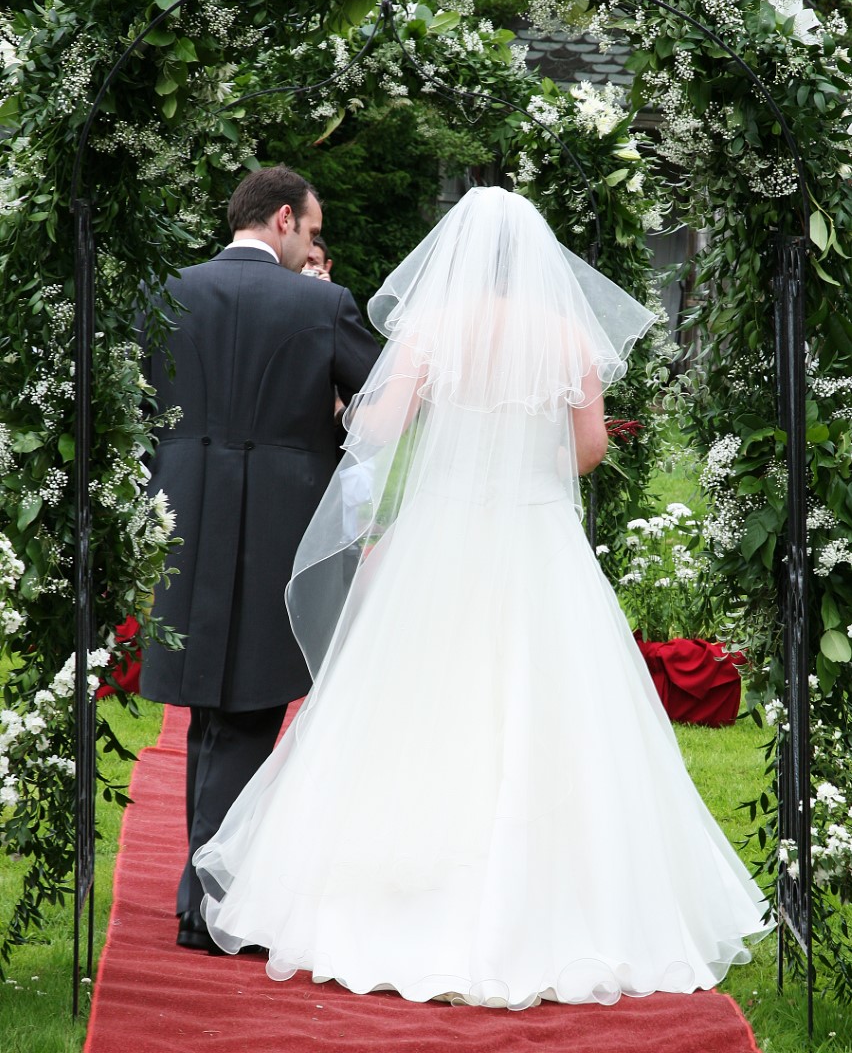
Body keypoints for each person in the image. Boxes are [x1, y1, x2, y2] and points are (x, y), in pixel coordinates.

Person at [194, 186, 771, 1006]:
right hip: (536, 539)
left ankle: (402, 887)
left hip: (442, 534)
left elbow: (381, 428)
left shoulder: (432, 331)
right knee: (551, 708)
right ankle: (554, 892)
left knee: (422, 704)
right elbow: (587, 450)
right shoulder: (566, 333)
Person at [138, 164, 380, 953]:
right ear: (282, 219)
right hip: (278, 521)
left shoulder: (167, 289)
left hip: (184, 515)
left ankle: (204, 893)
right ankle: (207, 902)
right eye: (311, 231)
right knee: (245, 711)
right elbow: (378, 406)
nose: (313, 246)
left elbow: (138, 408)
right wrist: (329, 434)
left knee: (215, 711)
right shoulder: (322, 304)